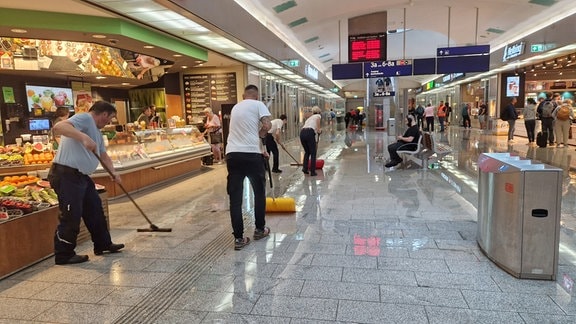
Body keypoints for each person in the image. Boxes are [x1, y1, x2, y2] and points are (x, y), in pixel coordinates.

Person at [48, 101, 124, 265]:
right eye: (110, 118)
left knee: (95, 209)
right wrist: (83, 137)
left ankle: (103, 244)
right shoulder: (85, 118)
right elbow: (59, 128)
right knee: (71, 214)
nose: (109, 123)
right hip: (66, 175)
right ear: (104, 114)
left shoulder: (96, 130)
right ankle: (64, 255)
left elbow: (103, 155)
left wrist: (114, 173)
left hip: (81, 177)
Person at [225, 85, 271, 250]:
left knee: (235, 199)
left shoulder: (236, 107)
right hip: (252, 155)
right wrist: (260, 137)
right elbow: (267, 126)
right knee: (259, 194)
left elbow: (241, 131)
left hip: (232, 154)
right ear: (256, 96)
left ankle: (238, 239)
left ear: (243, 95)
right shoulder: (258, 105)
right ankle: (259, 230)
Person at [300, 106, 322, 176]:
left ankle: (305, 168)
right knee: (313, 152)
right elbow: (318, 128)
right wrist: (320, 131)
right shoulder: (318, 116)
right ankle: (312, 171)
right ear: (319, 112)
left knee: (307, 152)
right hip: (309, 132)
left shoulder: (310, 118)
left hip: (302, 133)